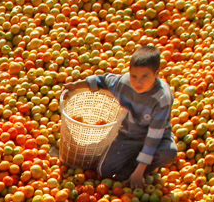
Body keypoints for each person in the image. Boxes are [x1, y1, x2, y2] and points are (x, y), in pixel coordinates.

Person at [64, 45, 177, 189]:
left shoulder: (162, 98)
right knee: (104, 171)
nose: (138, 82)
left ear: (156, 74)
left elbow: (154, 137)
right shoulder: (124, 83)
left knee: (168, 152)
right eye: (134, 76)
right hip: (129, 134)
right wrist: (76, 85)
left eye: (145, 76)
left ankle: (137, 169)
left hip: (157, 135)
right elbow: (103, 80)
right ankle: (134, 163)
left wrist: (139, 171)